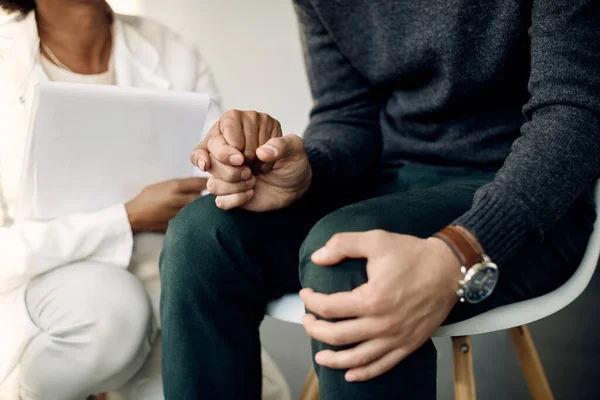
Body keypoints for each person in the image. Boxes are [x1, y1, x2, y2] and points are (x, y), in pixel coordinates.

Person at [159, 0, 600, 398]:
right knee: (201, 233)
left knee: (348, 257)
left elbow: (576, 111)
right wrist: (305, 170)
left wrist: (461, 251)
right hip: (390, 180)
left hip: (531, 189)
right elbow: (348, 115)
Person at [0, 1, 290, 399]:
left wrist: (240, 158)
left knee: (255, 391)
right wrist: (125, 219)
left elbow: (219, 183)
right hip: (52, 300)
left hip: (164, 286)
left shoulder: (167, 48)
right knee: (110, 312)